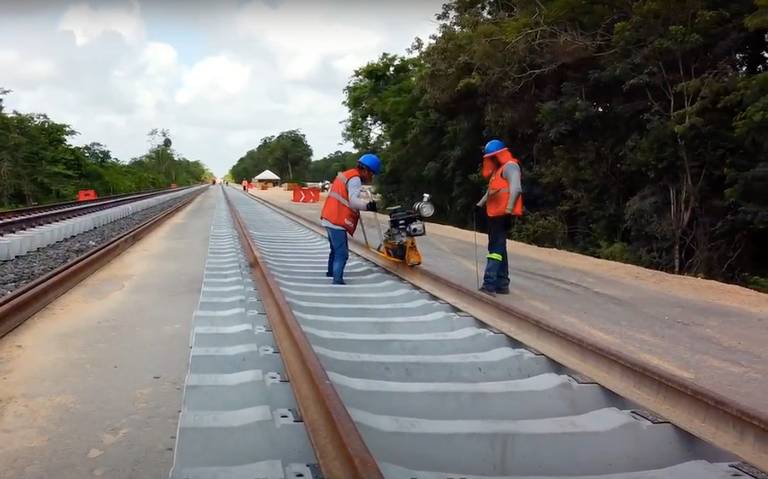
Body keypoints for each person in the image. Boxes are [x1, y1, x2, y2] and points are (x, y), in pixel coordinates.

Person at [320, 153, 381, 285]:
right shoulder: (355, 179)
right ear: (365, 170)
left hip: (329, 216)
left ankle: (331, 272)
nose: (371, 177)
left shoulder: (347, 174)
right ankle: (337, 281)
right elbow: (353, 201)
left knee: (335, 250)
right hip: (337, 219)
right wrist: (368, 206)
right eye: (371, 174)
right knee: (342, 253)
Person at [476, 139, 523, 296]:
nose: (491, 160)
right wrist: (479, 205)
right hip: (494, 214)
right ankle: (502, 284)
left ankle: (489, 284)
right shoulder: (498, 171)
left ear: (500, 155)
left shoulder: (510, 167)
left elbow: (516, 188)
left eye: (493, 157)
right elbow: (491, 192)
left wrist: (509, 209)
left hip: (503, 214)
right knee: (499, 247)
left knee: (495, 248)